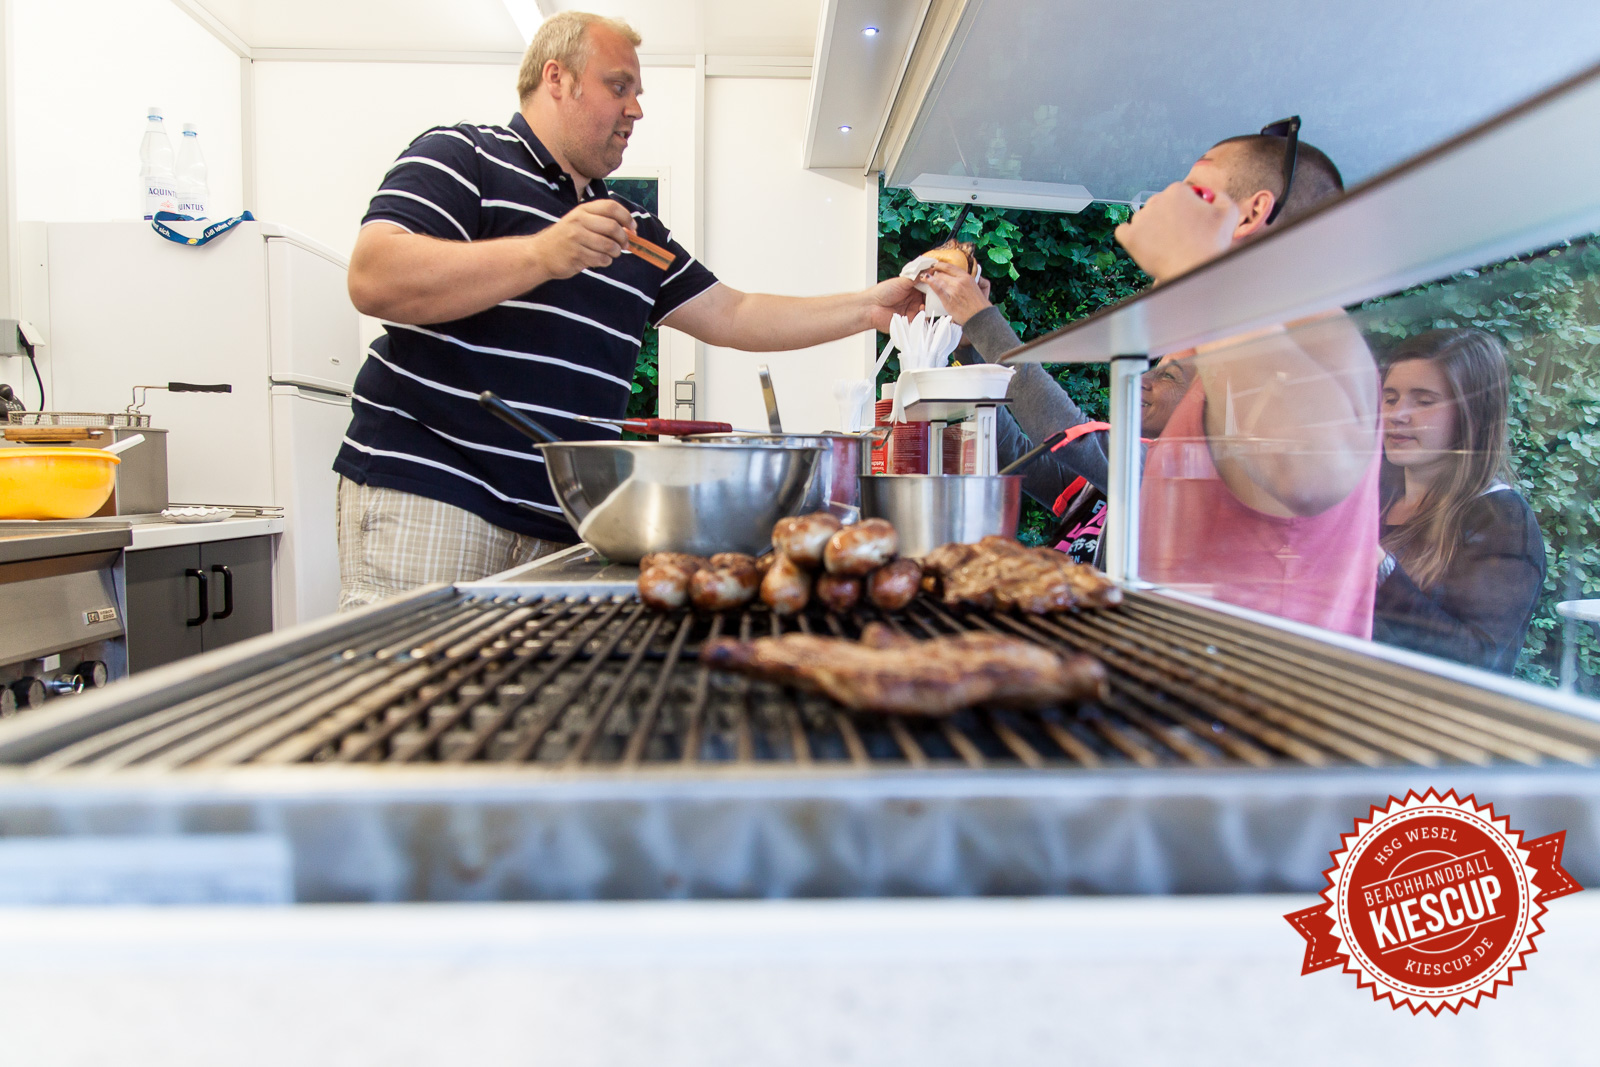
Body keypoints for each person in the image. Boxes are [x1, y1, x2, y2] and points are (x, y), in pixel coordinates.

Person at [337, 11, 921, 608]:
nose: (636, 109)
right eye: (619, 87)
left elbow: (735, 312)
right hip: (435, 494)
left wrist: (869, 307)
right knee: (406, 693)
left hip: (563, 525)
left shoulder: (633, 229)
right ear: (556, 78)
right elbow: (374, 275)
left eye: (638, 93)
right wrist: (543, 253)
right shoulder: (463, 155)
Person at [923, 125, 1382, 636]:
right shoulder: (1244, 342)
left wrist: (1195, 266)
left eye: (1196, 191)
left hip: (1261, 693)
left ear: (1251, 214)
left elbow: (1306, 474)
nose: (1167, 206)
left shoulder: (1317, 334)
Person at [1373, 329, 1545, 672]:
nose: (1398, 414)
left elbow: (1477, 657)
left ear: (1472, 415)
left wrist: (1379, 568)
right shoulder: (1374, 497)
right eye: (1390, 398)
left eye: (1424, 401)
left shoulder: (1501, 518)